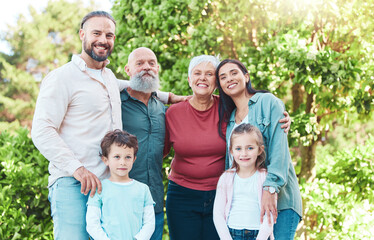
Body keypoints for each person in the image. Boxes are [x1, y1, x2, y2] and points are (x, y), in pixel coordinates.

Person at [30, 11, 176, 239]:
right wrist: (77, 169)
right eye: (96, 33)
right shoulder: (62, 77)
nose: (103, 39)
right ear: (82, 34)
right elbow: (41, 130)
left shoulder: (108, 78)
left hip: (107, 186)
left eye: (109, 35)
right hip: (72, 183)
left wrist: (172, 97)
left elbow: (138, 83)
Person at [164, 55, 291, 240]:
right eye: (197, 73)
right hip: (182, 195)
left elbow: (255, 114)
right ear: (189, 79)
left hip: (222, 193)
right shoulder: (172, 113)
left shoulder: (227, 107)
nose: (202, 78)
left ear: (216, 82)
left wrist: (284, 118)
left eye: (209, 74)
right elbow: (160, 149)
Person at [216, 59, 302, 240]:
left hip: (281, 200)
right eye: (223, 77)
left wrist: (270, 189)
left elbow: (280, 150)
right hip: (249, 207)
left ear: (246, 77)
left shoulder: (268, 102)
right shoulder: (230, 117)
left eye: (234, 73)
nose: (229, 79)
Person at [120, 47, 167, 240]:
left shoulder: (162, 108)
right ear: (127, 70)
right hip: (122, 202)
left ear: (157, 68)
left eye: (151, 63)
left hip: (154, 201)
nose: (146, 67)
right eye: (139, 64)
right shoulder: (115, 104)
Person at [86, 129, 155, 240]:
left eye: (128, 157)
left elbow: (149, 223)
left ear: (134, 159)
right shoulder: (99, 189)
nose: (122, 162)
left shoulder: (143, 189)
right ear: (105, 160)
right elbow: (92, 224)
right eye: (117, 157)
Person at [213, 123, 274, 240]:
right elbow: (218, 214)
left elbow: (270, 215)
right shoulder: (226, 178)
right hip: (232, 233)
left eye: (250, 148)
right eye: (238, 148)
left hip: (259, 234)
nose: (244, 153)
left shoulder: (266, 178)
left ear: (260, 150)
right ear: (231, 151)